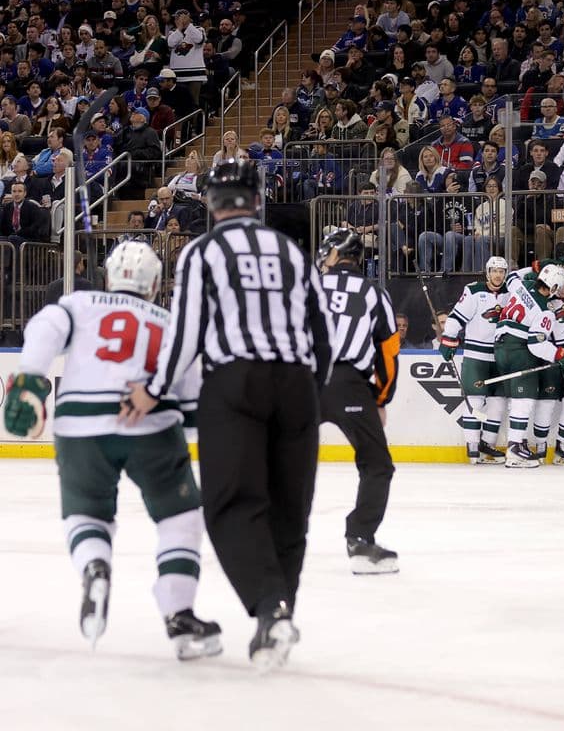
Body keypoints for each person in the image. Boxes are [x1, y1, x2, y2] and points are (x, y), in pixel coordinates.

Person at [120, 160, 333, 672]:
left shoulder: (203, 251)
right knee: (289, 509)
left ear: (212, 204)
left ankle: (270, 610)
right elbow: (322, 336)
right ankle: (276, 615)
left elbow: (186, 333)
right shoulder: (291, 251)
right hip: (298, 385)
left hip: (235, 384)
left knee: (232, 504)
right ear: (257, 201)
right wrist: (309, 396)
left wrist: (152, 389)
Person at [4, 240, 221, 658]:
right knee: (180, 517)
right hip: (153, 426)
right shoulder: (171, 321)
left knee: (87, 512)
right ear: (156, 283)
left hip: (81, 423)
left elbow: (45, 326)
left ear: (107, 275)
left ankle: (94, 565)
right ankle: (179, 614)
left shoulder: (80, 302)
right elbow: (194, 400)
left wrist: (30, 377)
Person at [316, 229, 401, 574]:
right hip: (349, 384)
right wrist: (381, 398)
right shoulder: (373, 293)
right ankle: (361, 541)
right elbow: (388, 353)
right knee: (377, 464)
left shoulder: (307, 286)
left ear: (335, 256)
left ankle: (268, 537)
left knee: (285, 460)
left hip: (302, 382)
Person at [493, 263, 564, 468]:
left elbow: (512, 276)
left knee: (516, 400)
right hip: (518, 351)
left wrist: (535, 267)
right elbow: (536, 344)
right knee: (524, 400)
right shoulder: (546, 310)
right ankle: (515, 450)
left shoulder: (523, 286)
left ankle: (517, 442)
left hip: (499, 348)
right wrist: (559, 354)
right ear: (554, 287)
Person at [439, 256, 510, 465]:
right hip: (476, 356)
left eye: (502, 271)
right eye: (494, 271)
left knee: (498, 403)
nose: (498, 275)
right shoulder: (474, 291)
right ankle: (472, 447)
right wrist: (449, 340)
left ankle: (487, 444)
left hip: (500, 357)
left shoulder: (511, 293)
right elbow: (455, 318)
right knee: (475, 401)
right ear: (487, 272)